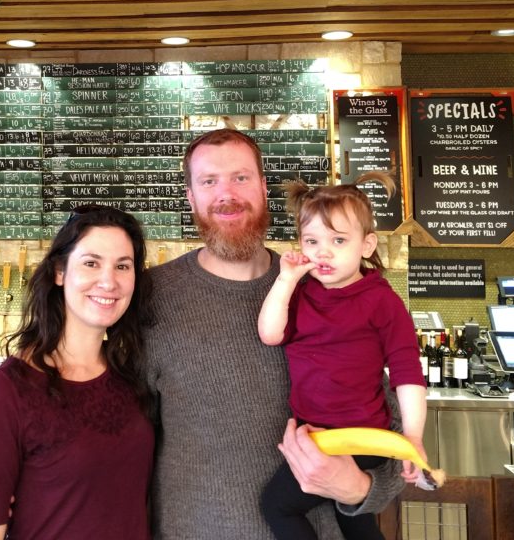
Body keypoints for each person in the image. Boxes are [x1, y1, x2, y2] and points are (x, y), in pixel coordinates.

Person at [145, 128, 405, 540]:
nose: (226, 194)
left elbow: (388, 427)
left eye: (241, 178)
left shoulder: (328, 290)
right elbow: (122, 444)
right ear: (191, 198)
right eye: (209, 181)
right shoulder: (151, 297)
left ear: (264, 189)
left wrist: (360, 489)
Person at [0, 205, 154, 540]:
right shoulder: (4, 394)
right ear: (60, 271)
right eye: (91, 263)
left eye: (123, 266)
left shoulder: (132, 377)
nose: (109, 281)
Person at [258, 173, 427, 539]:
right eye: (312, 241)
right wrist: (285, 280)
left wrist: (412, 437)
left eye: (338, 240)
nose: (323, 252)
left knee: (277, 505)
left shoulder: (382, 301)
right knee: (355, 520)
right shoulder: (301, 294)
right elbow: (270, 334)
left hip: (361, 436)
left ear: (367, 245)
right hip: (315, 433)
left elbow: (407, 373)